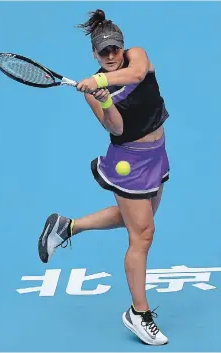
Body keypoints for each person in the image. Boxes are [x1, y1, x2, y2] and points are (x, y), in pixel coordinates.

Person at [38, 9, 170, 346]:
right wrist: (105, 100)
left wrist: (99, 81)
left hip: (157, 155)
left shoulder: (137, 57)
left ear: (122, 47)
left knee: (139, 221)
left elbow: (138, 73)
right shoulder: (91, 92)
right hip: (129, 163)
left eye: (115, 49)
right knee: (143, 235)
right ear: (94, 54)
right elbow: (116, 128)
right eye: (103, 52)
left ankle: (68, 226)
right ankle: (138, 314)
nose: (111, 56)